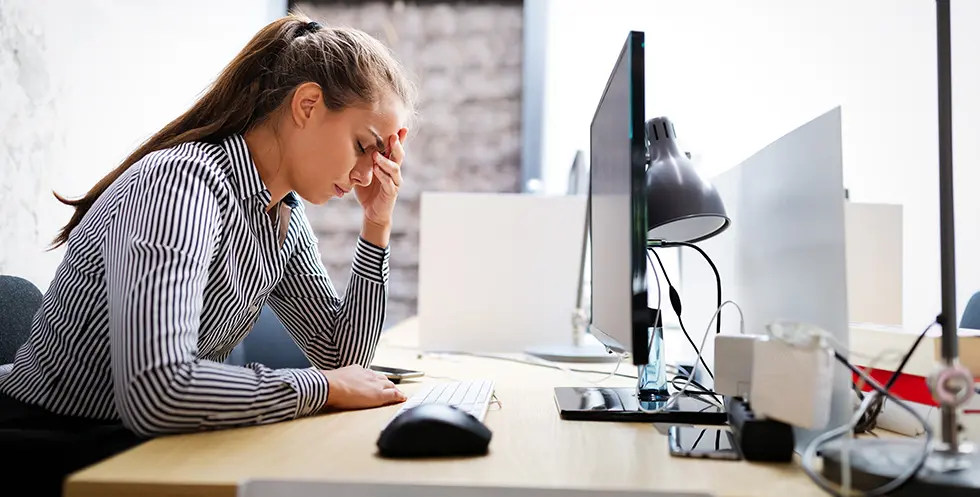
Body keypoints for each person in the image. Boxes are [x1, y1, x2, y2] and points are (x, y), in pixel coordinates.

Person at [0, 13, 416, 492]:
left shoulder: (279, 213)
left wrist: (377, 223)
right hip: (51, 443)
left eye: (381, 158)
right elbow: (158, 391)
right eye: (364, 146)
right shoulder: (180, 186)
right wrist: (322, 388)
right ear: (307, 105)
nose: (368, 174)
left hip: (141, 443)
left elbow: (341, 356)